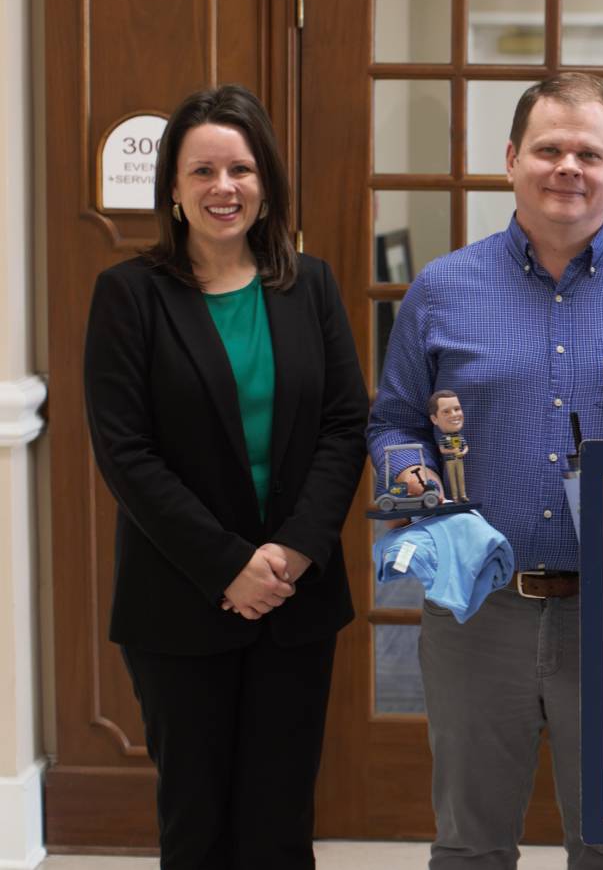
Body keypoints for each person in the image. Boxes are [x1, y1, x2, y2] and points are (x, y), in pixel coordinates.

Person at [368, 72, 603, 869]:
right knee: (470, 842)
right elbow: (395, 421)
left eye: (588, 152)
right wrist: (415, 485)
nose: (569, 167)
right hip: (477, 609)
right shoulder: (443, 288)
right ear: (510, 160)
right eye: (549, 148)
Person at [83, 84, 368, 869]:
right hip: (179, 602)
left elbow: (347, 424)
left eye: (240, 168)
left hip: (295, 597)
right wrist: (229, 565)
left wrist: (293, 554)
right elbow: (125, 453)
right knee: (197, 824)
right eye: (202, 170)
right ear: (171, 188)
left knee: (279, 825)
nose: (223, 187)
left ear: (266, 183)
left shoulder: (310, 285)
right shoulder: (129, 295)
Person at [429, 389, 469, 501]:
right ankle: (455, 497)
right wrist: (452, 451)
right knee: (452, 478)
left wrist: (462, 452)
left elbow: (465, 447)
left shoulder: (459, 437)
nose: (454, 414)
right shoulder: (444, 439)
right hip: (450, 460)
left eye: (457, 409)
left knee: (461, 478)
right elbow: (442, 449)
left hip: (459, 459)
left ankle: (463, 495)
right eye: (446, 412)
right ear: (434, 419)